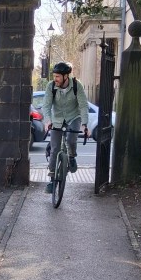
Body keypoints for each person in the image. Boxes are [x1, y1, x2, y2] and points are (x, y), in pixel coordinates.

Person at [42, 60, 90, 193]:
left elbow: (83, 105)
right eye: (54, 76)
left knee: (70, 140)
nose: (55, 79)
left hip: (73, 117)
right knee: (55, 148)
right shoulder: (51, 86)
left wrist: (84, 124)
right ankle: (52, 180)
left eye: (57, 76)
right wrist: (47, 121)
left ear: (65, 77)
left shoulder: (76, 85)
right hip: (57, 119)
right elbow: (46, 105)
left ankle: (72, 157)